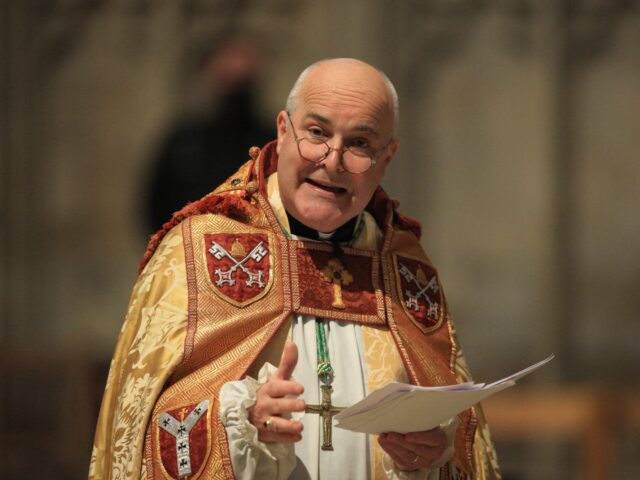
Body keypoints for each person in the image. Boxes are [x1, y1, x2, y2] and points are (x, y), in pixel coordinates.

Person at [90, 58, 501, 479]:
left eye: (360, 143)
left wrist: (432, 452)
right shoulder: (197, 250)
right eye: (317, 133)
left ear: (387, 158)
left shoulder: (405, 268)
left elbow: (462, 442)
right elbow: (137, 432)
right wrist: (240, 424)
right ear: (284, 131)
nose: (333, 160)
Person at [145, 34, 274, 234]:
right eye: (228, 73)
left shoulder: (271, 139)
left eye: (243, 77)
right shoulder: (185, 141)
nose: (236, 78)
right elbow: (157, 204)